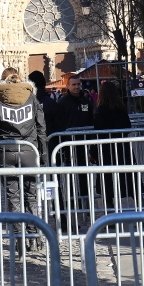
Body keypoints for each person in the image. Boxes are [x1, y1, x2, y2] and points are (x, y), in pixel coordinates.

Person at [0, 67, 47, 256]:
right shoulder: (32, 99)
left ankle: (19, 240)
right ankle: (35, 236)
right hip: (30, 151)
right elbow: (41, 129)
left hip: (6, 152)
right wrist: (44, 156)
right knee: (31, 195)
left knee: (13, 197)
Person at [51, 75, 95, 230]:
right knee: (69, 180)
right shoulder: (62, 103)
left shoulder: (86, 101)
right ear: (68, 86)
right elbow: (59, 124)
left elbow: (91, 121)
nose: (77, 87)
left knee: (84, 178)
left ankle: (86, 207)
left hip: (83, 146)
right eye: (74, 84)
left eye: (78, 84)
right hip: (68, 147)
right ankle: (71, 207)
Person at [93, 81, 137, 207]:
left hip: (106, 150)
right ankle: (142, 207)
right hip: (123, 148)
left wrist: (93, 152)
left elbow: (97, 132)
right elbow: (127, 126)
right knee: (130, 180)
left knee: (107, 181)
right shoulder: (121, 108)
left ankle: (110, 212)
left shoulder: (100, 111)